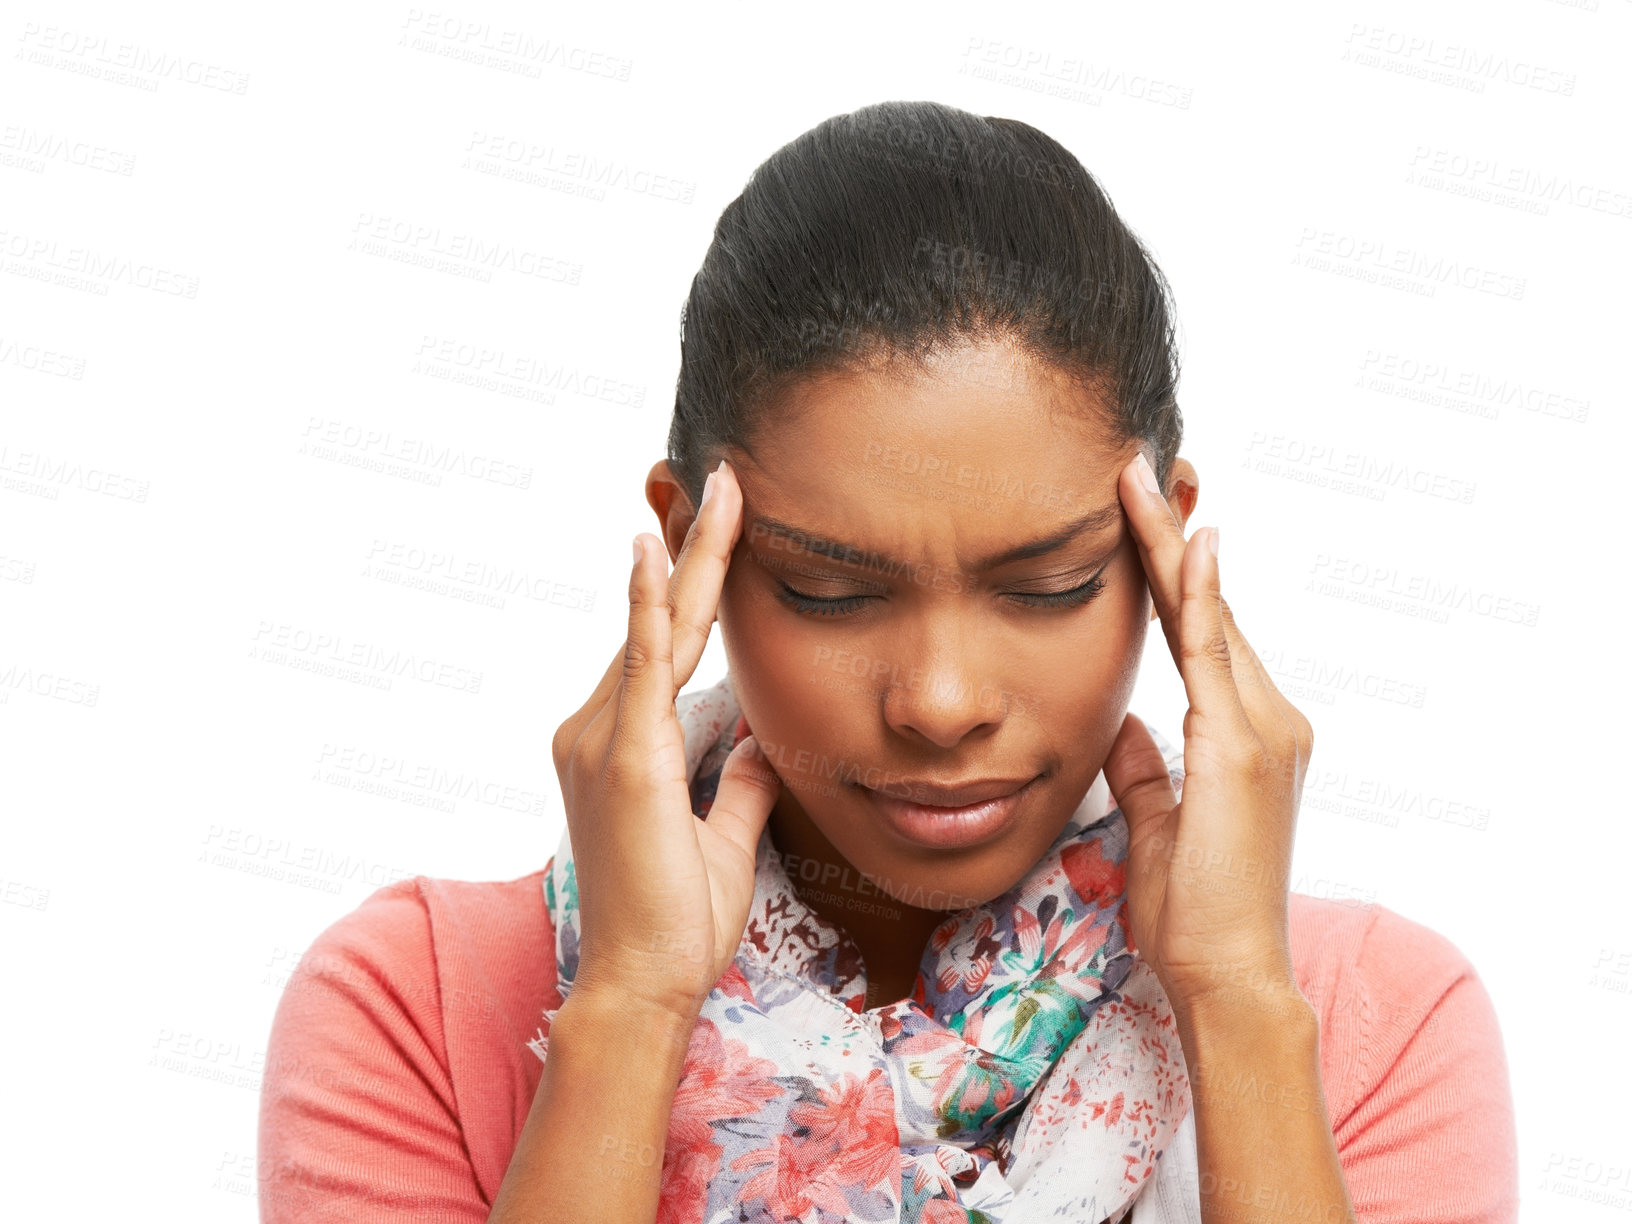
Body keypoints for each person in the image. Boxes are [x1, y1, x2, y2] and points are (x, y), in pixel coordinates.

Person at [257, 101, 1519, 1224]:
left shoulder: (1373, 1024)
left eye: (1049, 587)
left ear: (1165, 551)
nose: (942, 702)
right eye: (829, 591)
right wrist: (633, 1008)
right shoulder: (414, 1006)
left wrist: (1240, 1007)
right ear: (692, 547)